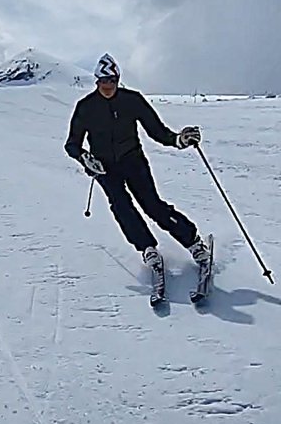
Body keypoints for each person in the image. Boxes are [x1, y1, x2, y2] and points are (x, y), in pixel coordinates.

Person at [65, 54, 208, 277]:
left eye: (111, 80)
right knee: (121, 207)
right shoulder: (86, 107)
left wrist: (178, 140)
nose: (107, 86)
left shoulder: (132, 100)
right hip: (104, 168)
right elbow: (72, 144)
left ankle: (193, 242)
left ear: (118, 79)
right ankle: (147, 248)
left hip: (133, 160)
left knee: (152, 205)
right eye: (103, 81)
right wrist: (85, 158)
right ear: (97, 81)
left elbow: (157, 131)